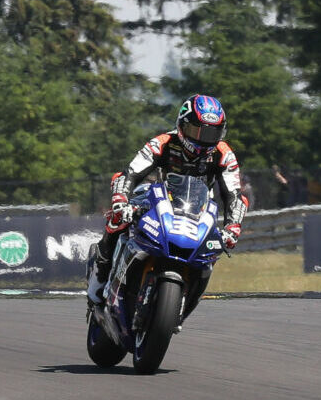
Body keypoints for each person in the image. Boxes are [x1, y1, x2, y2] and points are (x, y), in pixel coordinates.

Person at [92, 94, 245, 306]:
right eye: (197, 131)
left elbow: (234, 195)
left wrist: (233, 227)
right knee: (119, 220)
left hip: (198, 209)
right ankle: (98, 282)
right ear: (182, 125)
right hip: (157, 198)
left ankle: (184, 302)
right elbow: (130, 173)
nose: (204, 139)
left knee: (211, 250)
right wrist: (121, 200)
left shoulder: (223, 154)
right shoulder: (162, 143)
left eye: (212, 133)